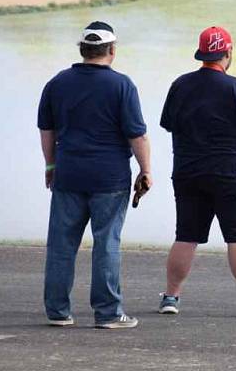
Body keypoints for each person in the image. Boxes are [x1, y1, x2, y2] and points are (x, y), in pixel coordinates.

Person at [38, 21, 152, 329]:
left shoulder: (57, 83)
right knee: (106, 244)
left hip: (68, 175)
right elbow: (137, 135)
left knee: (61, 245)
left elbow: (46, 129)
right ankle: (108, 313)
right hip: (109, 178)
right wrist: (146, 170)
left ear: (82, 50)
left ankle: (58, 311)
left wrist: (51, 165)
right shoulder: (122, 85)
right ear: (112, 50)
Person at [158, 26, 236, 318]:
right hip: (233, 173)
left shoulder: (180, 85)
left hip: (189, 171)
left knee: (186, 235)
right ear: (228, 53)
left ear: (201, 53)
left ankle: (171, 297)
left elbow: (169, 124)